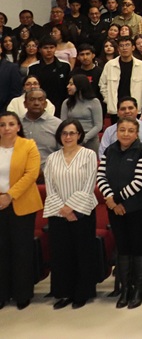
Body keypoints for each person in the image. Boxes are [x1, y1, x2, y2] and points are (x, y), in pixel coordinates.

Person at [98, 116, 142, 309]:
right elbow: (101, 176)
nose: (126, 134)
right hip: (115, 208)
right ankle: (125, 289)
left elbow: (140, 181)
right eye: (122, 130)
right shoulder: (109, 150)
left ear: (137, 133)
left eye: (131, 130)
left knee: (137, 246)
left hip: (138, 207)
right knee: (122, 247)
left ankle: (138, 289)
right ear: (116, 131)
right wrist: (111, 201)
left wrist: (116, 199)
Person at [43, 119, 98, 310]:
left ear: (80, 135)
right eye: (64, 133)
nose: (68, 137)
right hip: (58, 214)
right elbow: (50, 187)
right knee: (61, 254)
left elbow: (89, 184)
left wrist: (72, 208)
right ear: (59, 136)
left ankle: (82, 293)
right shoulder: (52, 158)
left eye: (72, 133)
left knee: (82, 253)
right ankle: (64, 293)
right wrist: (63, 209)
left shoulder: (89, 155)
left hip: (82, 212)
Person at [0, 111, 41, 309]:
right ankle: (2, 293)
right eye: (2, 125)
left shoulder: (28, 145)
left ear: (18, 126)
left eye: (10, 124)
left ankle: (22, 294)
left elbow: (31, 174)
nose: (6, 128)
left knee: (21, 251)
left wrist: (9, 195)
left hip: (22, 204)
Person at [99, 36, 142, 121]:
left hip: (135, 108)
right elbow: (102, 84)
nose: (124, 48)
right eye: (121, 45)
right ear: (118, 49)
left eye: (127, 45)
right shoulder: (110, 65)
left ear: (133, 47)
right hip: (116, 108)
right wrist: (108, 99)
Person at [58, 74, 102, 153]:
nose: (68, 86)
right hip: (71, 138)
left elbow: (98, 125)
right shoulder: (66, 103)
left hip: (90, 141)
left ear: (80, 85)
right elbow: (63, 123)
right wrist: (73, 138)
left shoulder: (94, 102)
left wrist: (83, 138)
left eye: (71, 84)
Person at [21, 88, 61, 169]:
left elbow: (64, 153)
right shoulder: (16, 124)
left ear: (45, 104)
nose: (36, 103)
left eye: (40, 100)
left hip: (49, 174)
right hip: (18, 174)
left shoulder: (57, 124)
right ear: (25, 104)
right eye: (32, 99)